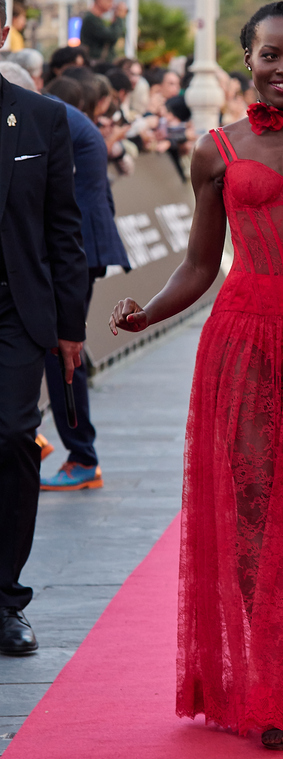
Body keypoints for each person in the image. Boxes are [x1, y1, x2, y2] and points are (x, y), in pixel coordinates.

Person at [109, 0, 283, 749]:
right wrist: (149, 313)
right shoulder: (213, 150)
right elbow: (200, 264)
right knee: (249, 508)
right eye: (270, 54)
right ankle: (258, 669)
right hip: (239, 343)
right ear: (246, 59)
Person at [0, 0, 88, 655]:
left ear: (5, 31)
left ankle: (6, 599)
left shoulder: (41, 118)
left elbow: (64, 227)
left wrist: (69, 326)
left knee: (10, 438)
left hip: (14, 309)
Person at [38, 77, 130, 491]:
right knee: (51, 348)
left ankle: (80, 455)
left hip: (76, 247)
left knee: (62, 352)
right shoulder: (68, 119)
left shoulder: (48, 117)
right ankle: (35, 438)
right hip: (84, 242)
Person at [80, 0, 127, 64]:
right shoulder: (91, 19)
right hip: (97, 64)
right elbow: (111, 35)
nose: (112, 4)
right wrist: (120, 18)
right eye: (110, 0)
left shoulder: (96, 19)